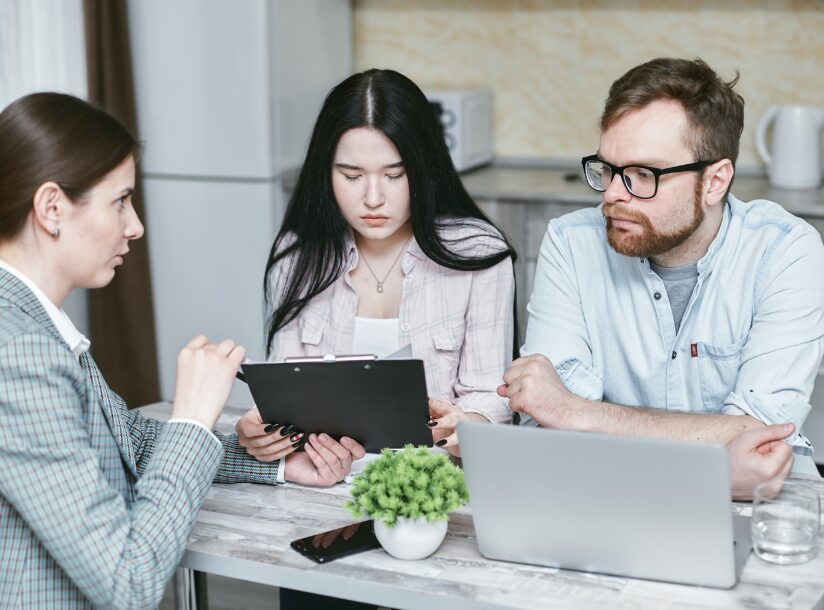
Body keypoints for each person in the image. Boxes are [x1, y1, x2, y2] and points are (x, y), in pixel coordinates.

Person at [0, 92, 364, 609]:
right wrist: (192, 417)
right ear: (52, 207)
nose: (136, 226)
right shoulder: (20, 353)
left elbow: (124, 442)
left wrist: (280, 466)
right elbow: (129, 583)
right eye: (120, 201)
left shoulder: (33, 324)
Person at [234, 68, 517, 610]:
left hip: (436, 506)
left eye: (394, 173)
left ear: (425, 168)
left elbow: (491, 394)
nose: (372, 197)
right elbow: (287, 390)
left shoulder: (480, 253)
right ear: (325, 173)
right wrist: (266, 433)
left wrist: (469, 422)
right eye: (351, 174)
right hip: (321, 507)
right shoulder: (296, 258)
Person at [499, 57, 824, 496]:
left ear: (715, 181)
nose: (613, 194)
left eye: (641, 175)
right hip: (602, 493)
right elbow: (546, 421)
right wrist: (711, 451)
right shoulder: (571, 244)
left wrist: (580, 413)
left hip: (764, 508)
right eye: (608, 169)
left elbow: (759, 437)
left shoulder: (785, 250)